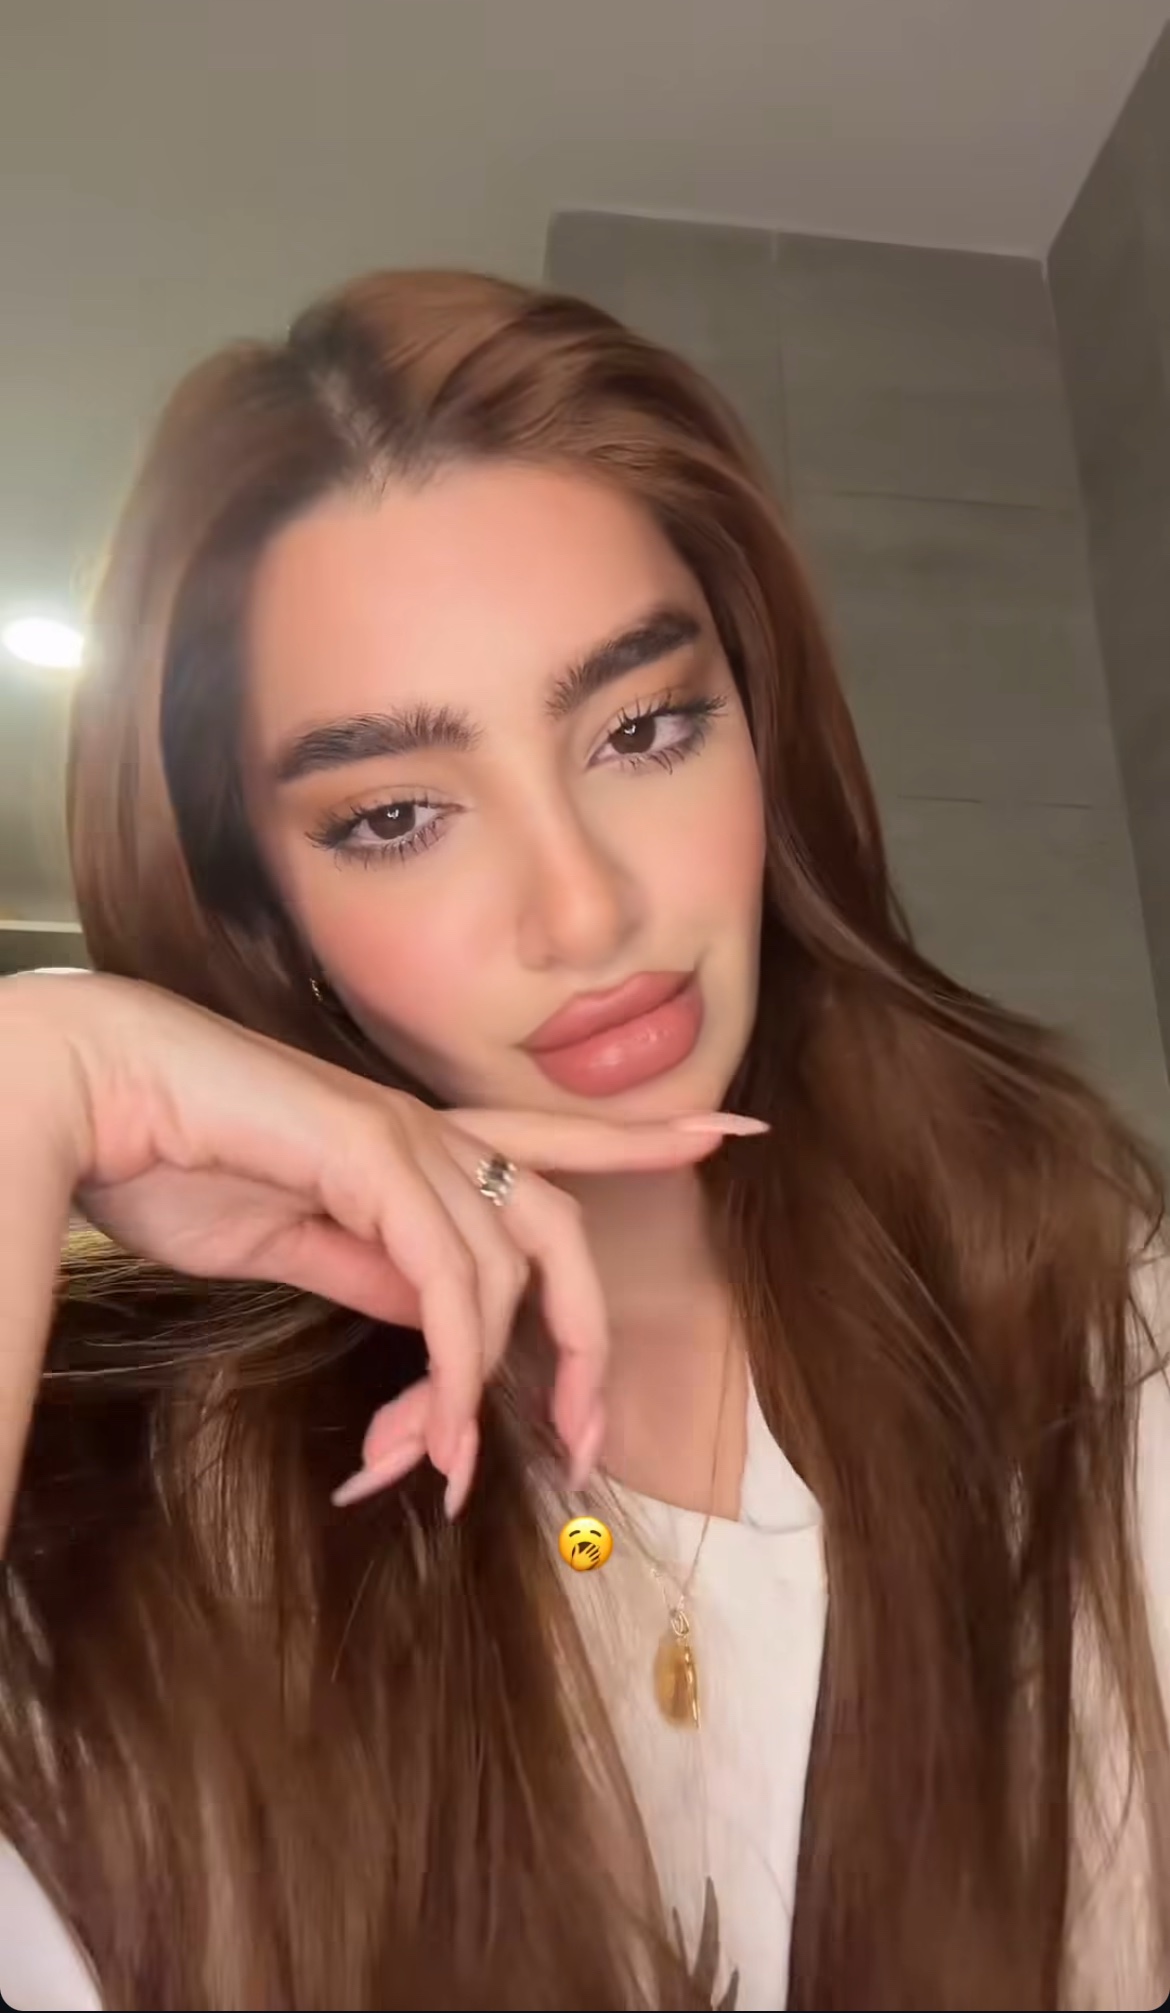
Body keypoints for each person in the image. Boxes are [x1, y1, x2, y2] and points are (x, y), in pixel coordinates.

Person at [0, 269, 1166, 2013]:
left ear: (761, 729)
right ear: (262, 914)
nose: (584, 906)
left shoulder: (1090, 1322)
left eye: (642, 727)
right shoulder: (121, 1525)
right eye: (396, 814)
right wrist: (34, 1073)